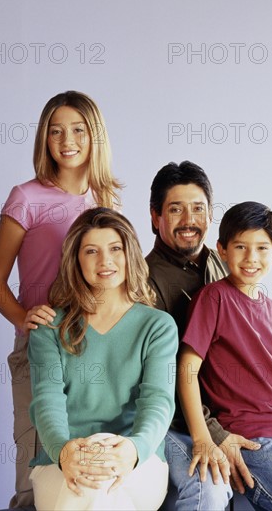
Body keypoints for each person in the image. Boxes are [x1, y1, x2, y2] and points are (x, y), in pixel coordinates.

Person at [0, 91, 121, 508]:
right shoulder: (26, 197)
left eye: (78, 129)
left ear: (94, 136)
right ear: (44, 139)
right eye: (56, 131)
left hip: (91, 347)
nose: (68, 140)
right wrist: (25, 317)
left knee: (81, 473)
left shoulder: (104, 200)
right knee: (33, 468)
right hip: (40, 346)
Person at [178, 201, 272, 510]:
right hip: (252, 440)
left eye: (262, 248)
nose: (251, 258)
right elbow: (187, 370)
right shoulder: (214, 299)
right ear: (222, 250)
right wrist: (203, 438)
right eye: (240, 247)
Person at [28, 207, 178, 511]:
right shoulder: (50, 327)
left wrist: (134, 450)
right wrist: (64, 452)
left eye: (115, 249)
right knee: (93, 493)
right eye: (91, 251)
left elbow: (158, 399)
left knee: (97, 493)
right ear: (76, 260)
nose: (105, 261)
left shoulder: (158, 326)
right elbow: (47, 400)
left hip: (137, 459)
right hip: (60, 460)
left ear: (129, 254)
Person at [146, 161, 260, 511]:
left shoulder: (225, 263)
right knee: (211, 491)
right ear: (155, 217)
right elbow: (164, 376)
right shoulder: (142, 282)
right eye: (175, 209)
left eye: (198, 208)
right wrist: (214, 434)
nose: (188, 220)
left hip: (230, 415)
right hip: (176, 420)